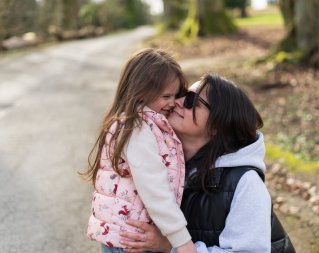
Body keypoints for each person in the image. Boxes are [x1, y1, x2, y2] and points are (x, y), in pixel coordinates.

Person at [119, 73, 272, 253]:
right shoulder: (158, 159)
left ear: (217, 124)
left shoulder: (246, 183)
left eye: (192, 100)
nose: (177, 101)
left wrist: (169, 246)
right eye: (181, 94)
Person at [80, 48, 197, 253]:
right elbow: (154, 188)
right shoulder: (138, 130)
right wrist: (181, 240)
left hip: (131, 236)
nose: (173, 103)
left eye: (175, 95)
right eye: (166, 96)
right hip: (130, 240)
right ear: (141, 91)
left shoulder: (146, 123)